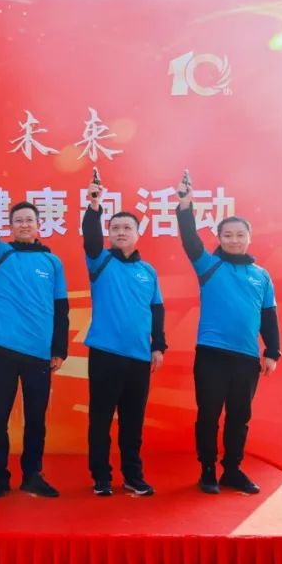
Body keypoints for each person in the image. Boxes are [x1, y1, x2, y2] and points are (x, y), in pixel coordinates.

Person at [0, 173, 69, 498]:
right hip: (3, 350)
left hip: (38, 354)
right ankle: (0, 476)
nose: (23, 224)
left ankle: (32, 475)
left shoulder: (52, 262)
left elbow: (61, 309)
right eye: (18, 220)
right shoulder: (1, 254)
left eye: (29, 220)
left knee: (36, 420)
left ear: (38, 225)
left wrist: (59, 349)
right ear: (11, 226)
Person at [176, 177, 280, 495]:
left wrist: (272, 352)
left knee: (239, 416)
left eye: (239, 235)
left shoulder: (261, 276)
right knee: (209, 414)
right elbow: (190, 238)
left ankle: (232, 470)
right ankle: (207, 470)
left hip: (247, 358)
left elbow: (268, 316)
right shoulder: (208, 265)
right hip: (212, 354)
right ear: (219, 238)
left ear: (249, 238)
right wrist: (185, 204)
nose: (234, 240)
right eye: (227, 235)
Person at [82, 179, 166, 497]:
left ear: (137, 233)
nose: (120, 232)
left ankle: (133, 476)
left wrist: (158, 345)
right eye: (115, 227)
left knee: (132, 422)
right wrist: (94, 207)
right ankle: (101, 477)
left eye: (127, 227)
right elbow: (91, 237)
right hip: (105, 354)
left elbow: (156, 309)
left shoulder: (149, 271)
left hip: (139, 357)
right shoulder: (100, 261)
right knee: (101, 420)